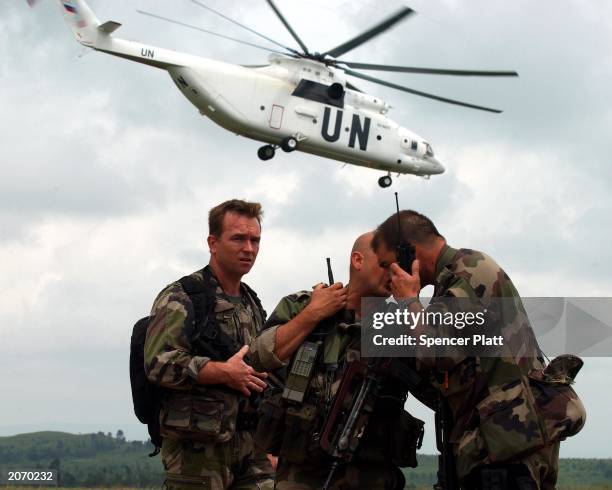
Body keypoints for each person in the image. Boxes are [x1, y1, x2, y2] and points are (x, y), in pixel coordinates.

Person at [372, 209, 586, 490]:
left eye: (388, 264)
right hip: (505, 445)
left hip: (507, 449)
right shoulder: (452, 281)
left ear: (408, 252)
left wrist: (409, 302)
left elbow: (437, 352)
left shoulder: (468, 273)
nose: (388, 277)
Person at [250, 232, 425, 490]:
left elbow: (440, 375)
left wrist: (412, 305)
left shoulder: (403, 324)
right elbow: (258, 357)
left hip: (373, 475)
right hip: (301, 475)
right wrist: (312, 315)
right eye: (387, 265)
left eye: (401, 267)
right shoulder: (303, 305)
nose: (394, 274)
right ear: (358, 261)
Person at [144, 199, 274, 490]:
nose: (249, 249)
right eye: (238, 238)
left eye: (255, 240)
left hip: (251, 450)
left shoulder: (252, 302)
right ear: (213, 243)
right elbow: (158, 364)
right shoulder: (182, 296)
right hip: (197, 455)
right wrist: (222, 372)